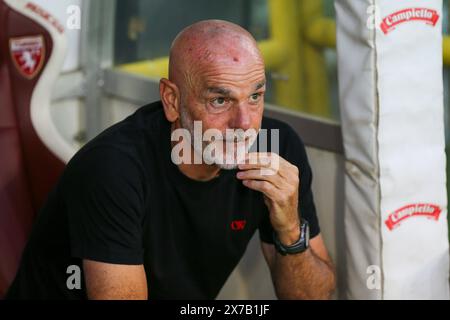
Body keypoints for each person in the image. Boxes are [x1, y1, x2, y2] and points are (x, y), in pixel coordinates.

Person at [6, 20, 335, 300]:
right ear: (172, 100)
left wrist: (290, 229)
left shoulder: (278, 149)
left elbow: (316, 295)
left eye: (255, 96)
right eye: (220, 100)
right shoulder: (114, 168)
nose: (244, 124)